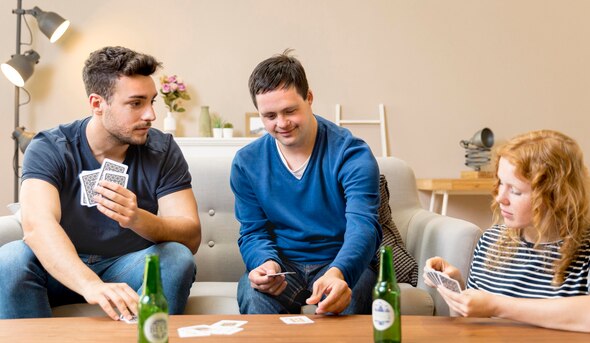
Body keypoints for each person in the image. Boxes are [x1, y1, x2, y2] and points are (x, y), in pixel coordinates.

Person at [0, 46, 201, 320]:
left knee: (177, 257)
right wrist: (91, 285)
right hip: (59, 267)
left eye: (152, 101)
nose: (150, 115)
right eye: (136, 103)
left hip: (127, 265)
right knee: (10, 259)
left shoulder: (162, 149)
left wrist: (137, 219)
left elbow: (190, 237)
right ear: (97, 104)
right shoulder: (50, 147)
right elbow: (37, 226)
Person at [425, 130, 590, 333]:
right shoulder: (491, 241)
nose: (499, 198)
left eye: (515, 190)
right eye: (501, 183)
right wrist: (457, 289)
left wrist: (497, 305)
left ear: (556, 195)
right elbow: (472, 328)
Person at [231, 50, 382, 315]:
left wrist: (339, 272)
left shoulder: (351, 153)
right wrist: (266, 264)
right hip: (283, 266)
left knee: (349, 299)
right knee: (253, 297)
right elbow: (253, 231)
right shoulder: (247, 162)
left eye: (290, 110)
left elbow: (364, 226)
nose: (282, 123)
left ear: (309, 98)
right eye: (270, 116)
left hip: (339, 261)